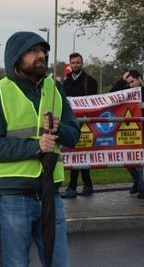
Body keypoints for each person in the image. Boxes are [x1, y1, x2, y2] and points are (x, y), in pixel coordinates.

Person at [0, 32, 80, 267]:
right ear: (17, 56)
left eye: (43, 51)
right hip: (14, 196)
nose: (41, 55)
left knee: (59, 263)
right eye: (33, 51)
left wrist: (58, 129)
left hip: (51, 194)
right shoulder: (1, 91)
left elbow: (74, 134)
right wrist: (35, 146)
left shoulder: (54, 88)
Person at [62, 52, 98, 198]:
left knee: (78, 152)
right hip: (71, 121)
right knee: (78, 152)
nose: (75, 65)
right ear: (70, 64)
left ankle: (72, 187)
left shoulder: (89, 81)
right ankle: (88, 184)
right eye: (73, 63)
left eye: (77, 62)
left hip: (85, 122)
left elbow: (94, 101)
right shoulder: (67, 81)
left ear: (82, 63)